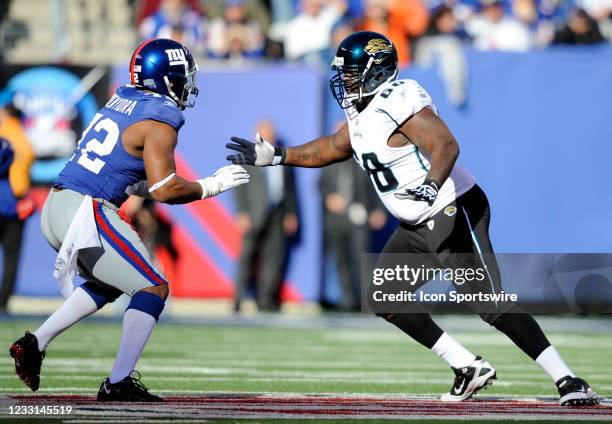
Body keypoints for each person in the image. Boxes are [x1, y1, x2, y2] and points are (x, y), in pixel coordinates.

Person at [226, 31, 598, 406]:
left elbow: (445, 144)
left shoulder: (398, 98)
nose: (346, 81)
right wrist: (277, 155)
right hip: (417, 224)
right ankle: (466, 366)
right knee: (383, 295)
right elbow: (333, 147)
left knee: (489, 302)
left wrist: (432, 185)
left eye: (353, 73)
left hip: (451, 208)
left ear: (375, 72)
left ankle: (569, 379)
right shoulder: (360, 114)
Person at [9, 38, 249, 402]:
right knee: (153, 287)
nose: (187, 84)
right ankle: (118, 381)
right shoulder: (162, 117)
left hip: (59, 205)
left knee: (110, 285)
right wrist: (210, 185)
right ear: (165, 79)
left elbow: (135, 180)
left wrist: (165, 188)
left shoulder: (124, 101)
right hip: (87, 210)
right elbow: (167, 189)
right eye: (183, 76)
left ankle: (34, 343)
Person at [233, 120, 299, 312]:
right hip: (253, 213)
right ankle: (238, 299)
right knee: (247, 257)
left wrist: (291, 213)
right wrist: (241, 212)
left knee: (274, 257)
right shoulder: (246, 155)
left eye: (271, 133)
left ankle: (266, 300)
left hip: (277, 212)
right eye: (264, 132)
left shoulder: (282, 155)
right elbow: (237, 185)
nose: (268, 136)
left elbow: (291, 190)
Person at [319, 159, 386, 311]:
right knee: (342, 262)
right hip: (336, 219)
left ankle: (369, 303)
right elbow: (321, 185)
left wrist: (379, 210)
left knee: (362, 260)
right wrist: (329, 197)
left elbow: (378, 184)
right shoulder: (329, 161)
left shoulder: (364, 159)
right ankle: (348, 300)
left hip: (359, 217)